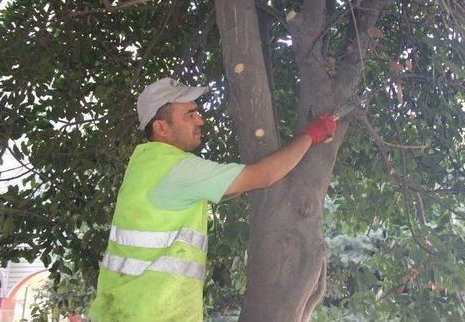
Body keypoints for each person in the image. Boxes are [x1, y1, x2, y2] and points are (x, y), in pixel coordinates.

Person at [88, 77, 337, 322]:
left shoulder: (146, 163)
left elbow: (226, 188)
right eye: (189, 115)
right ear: (161, 128)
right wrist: (312, 134)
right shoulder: (178, 169)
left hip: (123, 310)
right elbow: (264, 175)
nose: (200, 120)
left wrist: (242, 180)